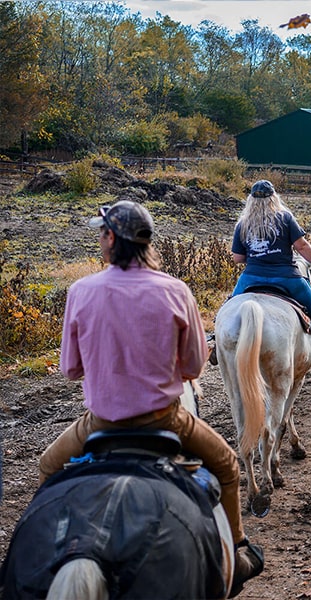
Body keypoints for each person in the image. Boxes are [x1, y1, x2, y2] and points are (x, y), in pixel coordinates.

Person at [38, 200, 264, 595]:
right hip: (166, 419)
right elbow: (193, 367)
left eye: (101, 233)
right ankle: (239, 553)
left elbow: (71, 369)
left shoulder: (81, 290)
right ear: (146, 242)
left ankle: (42, 545)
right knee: (227, 465)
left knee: (46, 468)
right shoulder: (176, 291)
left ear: (110, 238)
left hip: (99, 423)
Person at [231, 179, 311, 373]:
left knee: (228, 308)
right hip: (286, 277)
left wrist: (259, 257)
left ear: (251, 200)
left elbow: (237, 258)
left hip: (251, 278)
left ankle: (217, 348)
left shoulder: (243, 224)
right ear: (273, 198)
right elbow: (301, 246)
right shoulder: (285, 217)